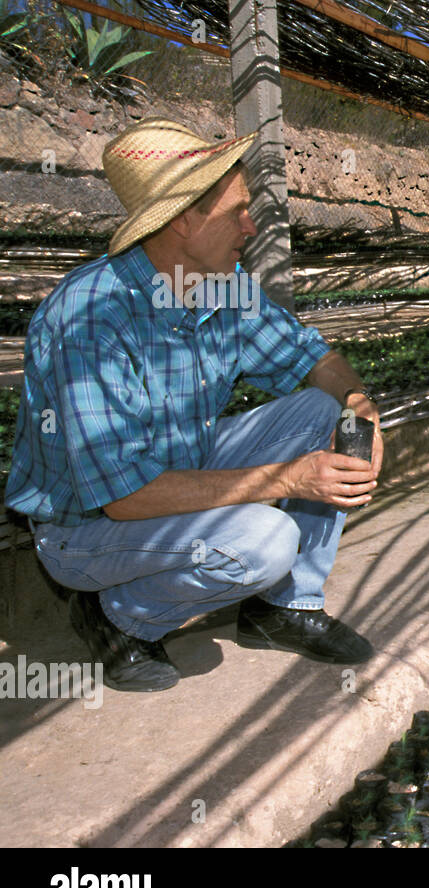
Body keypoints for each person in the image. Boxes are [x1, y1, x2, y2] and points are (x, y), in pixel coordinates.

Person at [4, 117, 383, 692]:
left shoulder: (219, 286)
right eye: (237, 211)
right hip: (86, 527)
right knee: (265, 540)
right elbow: (125, 499)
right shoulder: (89, 319)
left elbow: (314, 359)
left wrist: (361, 406)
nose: (251, 226)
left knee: (323, 412)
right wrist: (292, 478)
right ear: (184, 219)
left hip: (181, 468)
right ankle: (119, 613)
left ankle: (284, 608)